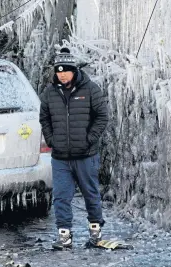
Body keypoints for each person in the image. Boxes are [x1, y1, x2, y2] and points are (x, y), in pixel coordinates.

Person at [39, 47, 108, 250]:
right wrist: (51, 140)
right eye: (58, 71)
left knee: (91, 195)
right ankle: (64, 236)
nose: (61, 74)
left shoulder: (90, 90)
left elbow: (102, 117)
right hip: (60, 157)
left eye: (65, 71)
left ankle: (95, 233)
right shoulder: (49, 93)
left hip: (86, 156)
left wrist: (89, 139)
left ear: (74, 70)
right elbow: (44, 118)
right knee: (61, 197)